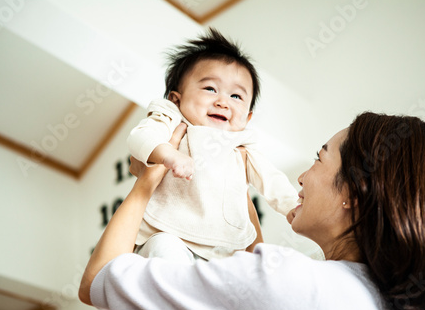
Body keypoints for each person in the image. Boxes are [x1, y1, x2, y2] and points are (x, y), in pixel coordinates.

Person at [79, 112, 425, 310]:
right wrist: (238, 199)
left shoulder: (289, 283)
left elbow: (98, 281)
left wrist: (149, 180)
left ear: (354, 192)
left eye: (319, 158)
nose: (301, 176)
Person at [126, 28, 298, 261]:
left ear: (247, 118)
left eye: (236, 96)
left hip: (222, 248)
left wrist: (294, 207)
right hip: (166, 232)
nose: (223, 102)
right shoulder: (171, 119)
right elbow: (139, 138)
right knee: (166, 251)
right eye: (210, 89)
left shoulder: (241, 147)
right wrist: (168, 155)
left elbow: (272, 181)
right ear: (177, 100)